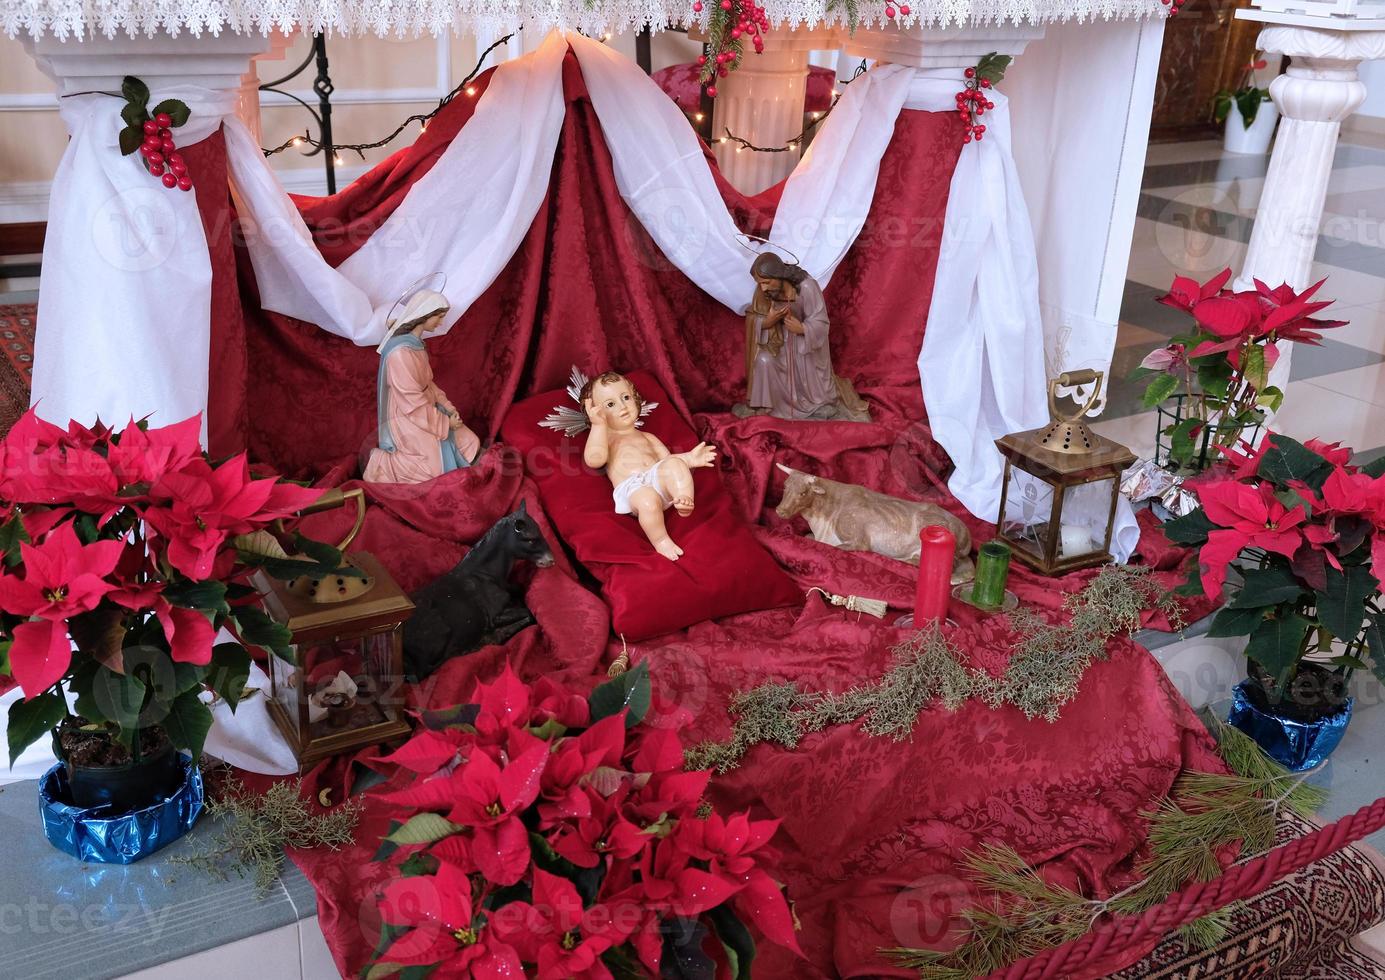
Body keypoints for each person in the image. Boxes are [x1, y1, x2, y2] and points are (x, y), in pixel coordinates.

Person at [582, 371, 716, 561]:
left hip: (657, 478)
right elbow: (594, 459)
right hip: (634, 487)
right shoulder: (607, 440)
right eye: (610, 404)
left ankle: (683, 498)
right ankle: (661, 540)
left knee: (674, 463)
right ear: (596, 413)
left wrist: (689, 458)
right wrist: (598, 426)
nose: (622, 406)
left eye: (626, 397)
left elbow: (667, 461)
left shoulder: (647, 436)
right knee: (648, 499)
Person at [364, 289, 481, 484]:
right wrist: (444, 423)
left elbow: (428, 385)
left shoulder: (416, 345)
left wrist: (448, 407)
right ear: (424, 315)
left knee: (470, 443)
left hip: (427, 408)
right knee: (433, 471)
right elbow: (411, 402)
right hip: (408, 415)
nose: (441, 322)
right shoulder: (400, 353)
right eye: (439, 317)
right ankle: (382, 464)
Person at [735, 252, 870, 422]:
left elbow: (821, 322)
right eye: (760, 284)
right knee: (763, 359)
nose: (763, 288)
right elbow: (754, 316)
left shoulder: (807, 287)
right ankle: (769, 406)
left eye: (766, 283)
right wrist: (768, 322)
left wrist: (802, 328)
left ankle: (818, 405)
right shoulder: (765, 291)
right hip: (780, 345)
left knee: (804, 359)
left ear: (778, 275)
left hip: (806, 345)